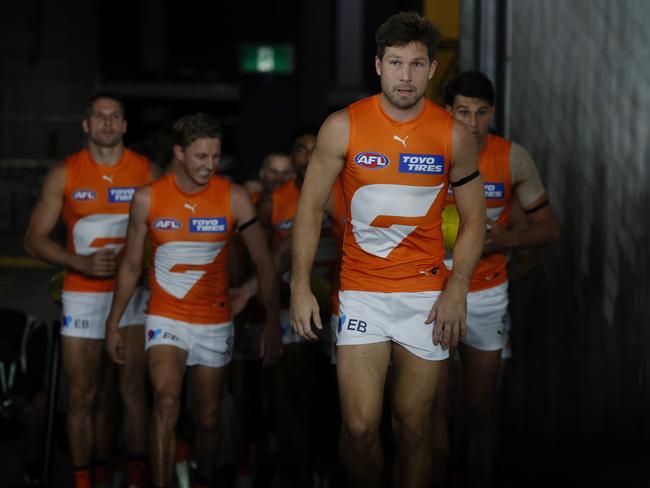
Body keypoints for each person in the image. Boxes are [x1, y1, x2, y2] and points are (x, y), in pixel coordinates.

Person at [289, 11, 486, 488]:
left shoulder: (453, 134)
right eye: (396, 63)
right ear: (378, 65)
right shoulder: (343, 126)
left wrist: (458, 287)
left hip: (425, 296)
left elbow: (476, 218)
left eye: (417, 65)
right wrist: (299, 286)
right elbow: (310, 209)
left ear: (432, 70)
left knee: (413, 427)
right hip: (361, 293)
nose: (405, 75)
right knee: (359, 429)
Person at [105, 113, 282, 488]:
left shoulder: (233, 198)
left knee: (209, 418)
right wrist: (114, 322)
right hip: (165, 317)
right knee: (166, 404)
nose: (209, 165)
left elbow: (266, 264)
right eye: (201, 156)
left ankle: (202, 478)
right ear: (180, 154)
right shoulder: (148, 198)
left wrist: (269, 321)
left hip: (215, 322)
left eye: (216, 156)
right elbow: (132, 265)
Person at [23, 92, 158, 488]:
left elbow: (166, 229)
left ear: (125, 125)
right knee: (83, 395)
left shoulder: (147, 170)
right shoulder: (64, 174)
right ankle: (86, 480)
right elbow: (33, 240)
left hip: (132, 296)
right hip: (82, 293)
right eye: (99, 116)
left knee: (132, 392)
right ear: (86, 125)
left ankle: (131, 477)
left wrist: (142, 264)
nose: (107, 122)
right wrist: (80, 262)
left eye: (115, 116)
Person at [438, 70, 560, 487]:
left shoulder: (513, 157)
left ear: (493, 113)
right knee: (434, 406)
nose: (472, 123)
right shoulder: (427, 152)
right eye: (463, 112)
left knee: (480, 406)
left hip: (488, 294)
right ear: (446, 112)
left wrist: (506, 238)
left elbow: (549, 227)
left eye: (481, 112)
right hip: (430, 292)